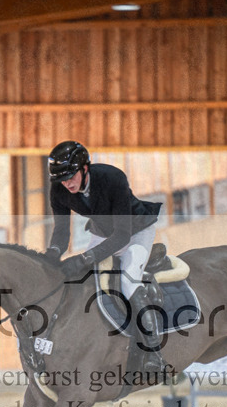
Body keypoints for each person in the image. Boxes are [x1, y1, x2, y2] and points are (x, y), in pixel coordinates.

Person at [44, 140, 167, 375]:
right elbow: (61, 232)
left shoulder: (112, 178)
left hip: (135, 230)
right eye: (61, 179)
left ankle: (153, 352)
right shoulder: (59, 189)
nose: (67, 183)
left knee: (128, 282)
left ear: (84, 168)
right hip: (102, 232)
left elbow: (121, 235)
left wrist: (85, 257)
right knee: (83, 281)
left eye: (71, 176)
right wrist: (53, 253)